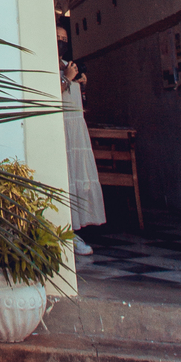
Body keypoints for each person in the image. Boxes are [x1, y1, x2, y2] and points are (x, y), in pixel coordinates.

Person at [57, 20, 105, 255]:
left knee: (78, 176)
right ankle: (64, 230)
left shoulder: (70, 65)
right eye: (57, 38)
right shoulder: (52, 65)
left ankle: (75, 230)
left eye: (65, 40)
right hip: (60, 128)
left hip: (76, 128)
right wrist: (65, 78)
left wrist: (79, 81)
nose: (61, 43)